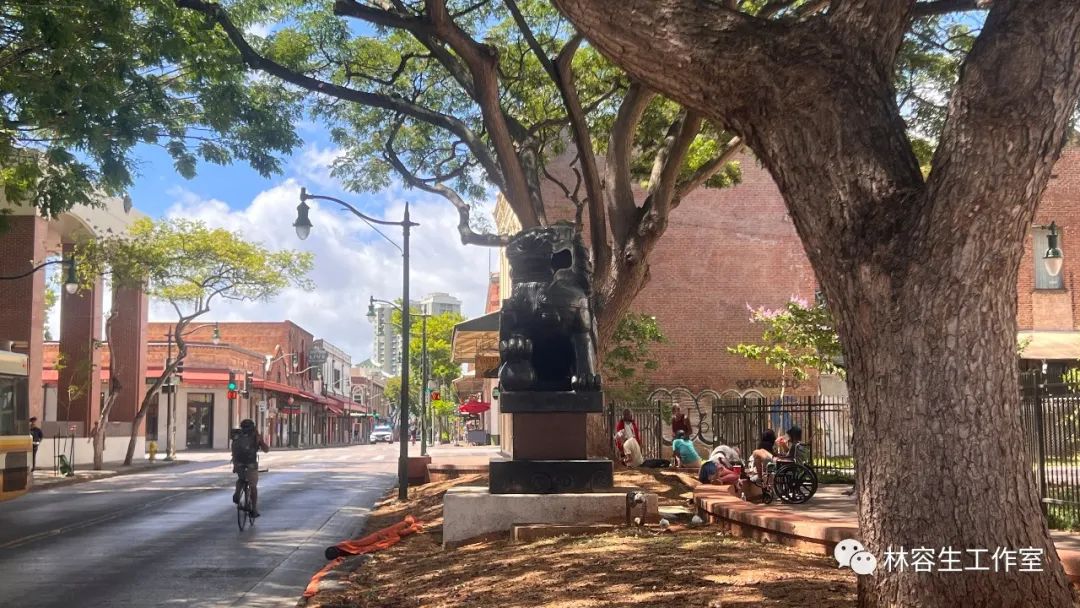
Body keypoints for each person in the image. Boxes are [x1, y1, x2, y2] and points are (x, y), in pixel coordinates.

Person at [232, 419, 270, 517]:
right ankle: (254, 509)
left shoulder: (237, 435)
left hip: (238, 463)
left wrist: (235, 464)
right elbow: (266, 450)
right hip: (251, 464)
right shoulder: (255, 436)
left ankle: (237, 493)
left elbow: (233, 450)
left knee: (241, 479)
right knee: (253, 486)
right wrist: (260, 440)